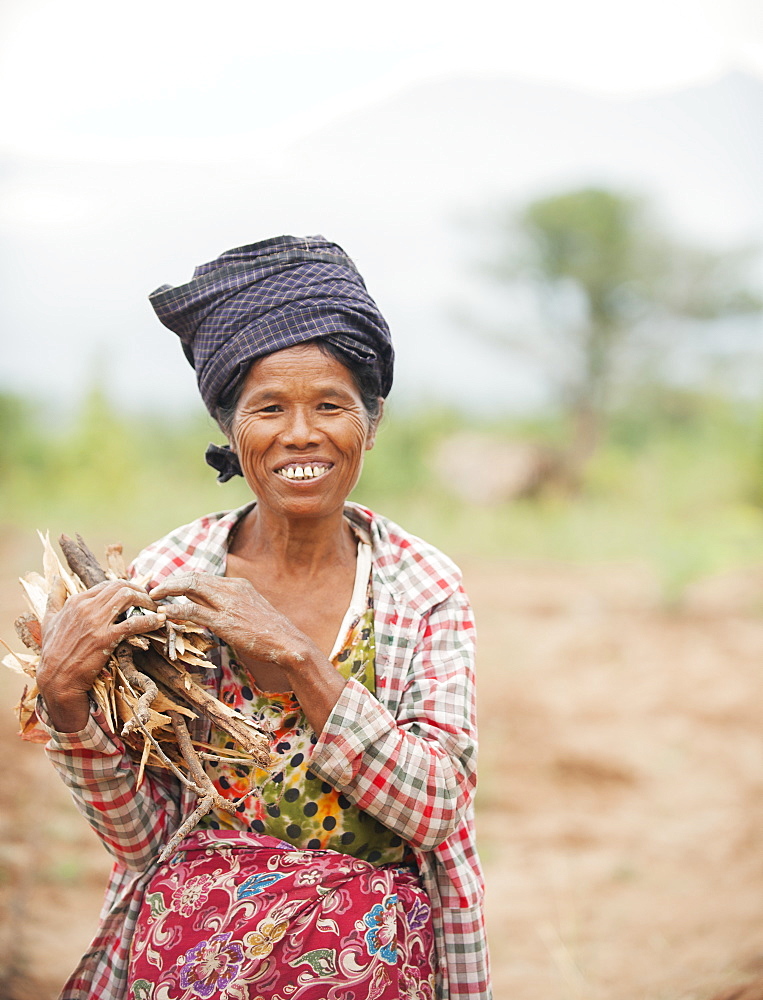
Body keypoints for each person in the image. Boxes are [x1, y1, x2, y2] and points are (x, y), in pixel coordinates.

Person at [36, 235, 491, 1000]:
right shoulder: (170, 581)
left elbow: (435, 808)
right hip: (193, 951)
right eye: (269, 408)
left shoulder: (422, 588)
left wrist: (302, 660)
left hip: (364, 959)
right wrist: (66, 705)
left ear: (371, 422)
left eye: (330, 406)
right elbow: (141, 838)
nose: (301, 434)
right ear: (229, 428)